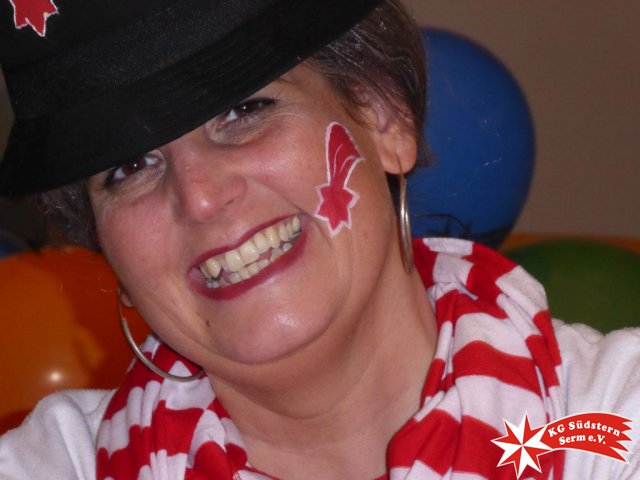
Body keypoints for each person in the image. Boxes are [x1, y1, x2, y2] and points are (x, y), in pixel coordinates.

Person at [0, 0, 638, 479]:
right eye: (129, 166)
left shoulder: (614, 424)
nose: (200, 197)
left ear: (383, 117)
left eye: (244, 110)